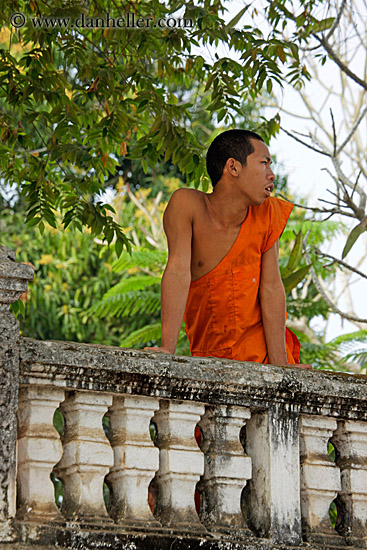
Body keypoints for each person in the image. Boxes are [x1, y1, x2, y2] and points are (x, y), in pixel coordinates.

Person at [144, 129, 312, 369]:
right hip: (210, 360)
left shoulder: (267, 214)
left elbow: (272, 287)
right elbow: (178, 271)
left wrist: (280, 366)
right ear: (233, 167)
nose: (272, 175)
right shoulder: (188, 206)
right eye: (264, 163)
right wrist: (167, 349)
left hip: (262, 360)